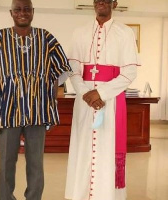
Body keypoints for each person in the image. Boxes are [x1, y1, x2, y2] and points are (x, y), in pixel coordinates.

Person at [0, 0, 72, 199]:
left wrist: (50, 104)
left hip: (38, 111)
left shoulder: (46, 38)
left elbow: (59, 72)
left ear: (33, 12)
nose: (22, 13)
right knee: (6, 163)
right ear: (11, 13)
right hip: (8, 110)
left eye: (27, 9)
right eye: (18, 9)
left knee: (36, 162)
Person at [65, 0, 140, 200]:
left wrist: (101, 93)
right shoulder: (79, 32)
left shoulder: (125, 33)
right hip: (84, 102)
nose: (101, 2)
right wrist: (87, 94)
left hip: (111, 101)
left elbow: (129, 72)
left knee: (107, 148)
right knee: (83, 147)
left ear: (114, 3)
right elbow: (73, 71)